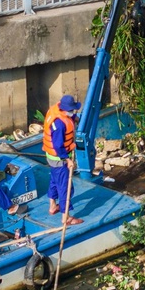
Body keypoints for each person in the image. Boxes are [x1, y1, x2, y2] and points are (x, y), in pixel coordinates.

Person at [43, 94, 84, 225]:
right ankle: (65, 217)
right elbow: (58, 145)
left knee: (54, 180)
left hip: (51, 157)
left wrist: (74, 118)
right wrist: (68, 160)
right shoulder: (59, 125)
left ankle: (52, 206)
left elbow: (69, 115)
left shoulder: (57, 110)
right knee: (64, 186)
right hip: (58, 158)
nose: (73, 112)